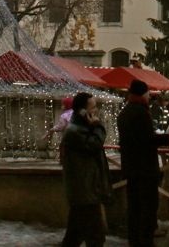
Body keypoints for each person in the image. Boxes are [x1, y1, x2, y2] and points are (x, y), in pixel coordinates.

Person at [117, 79, 169, 247]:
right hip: (145, 169)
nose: (150, 96)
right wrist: (167, 138)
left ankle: (134, 239)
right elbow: (146, 139)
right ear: (143, 93)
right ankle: (145, 241)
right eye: (148, 93)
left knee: (134, 207)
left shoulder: (124, 112)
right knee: (148, 207)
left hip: (131, 168)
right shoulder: (141, 112)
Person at [61, 91, 111, 247]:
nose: (96, 111)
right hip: (85, 191)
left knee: (75, 234)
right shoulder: (74, 131)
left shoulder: (81, 128)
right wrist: (98, 126)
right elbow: (95, 145)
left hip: (86, 190)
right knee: (95, 236)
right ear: (83, 111)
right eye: (93, 107)